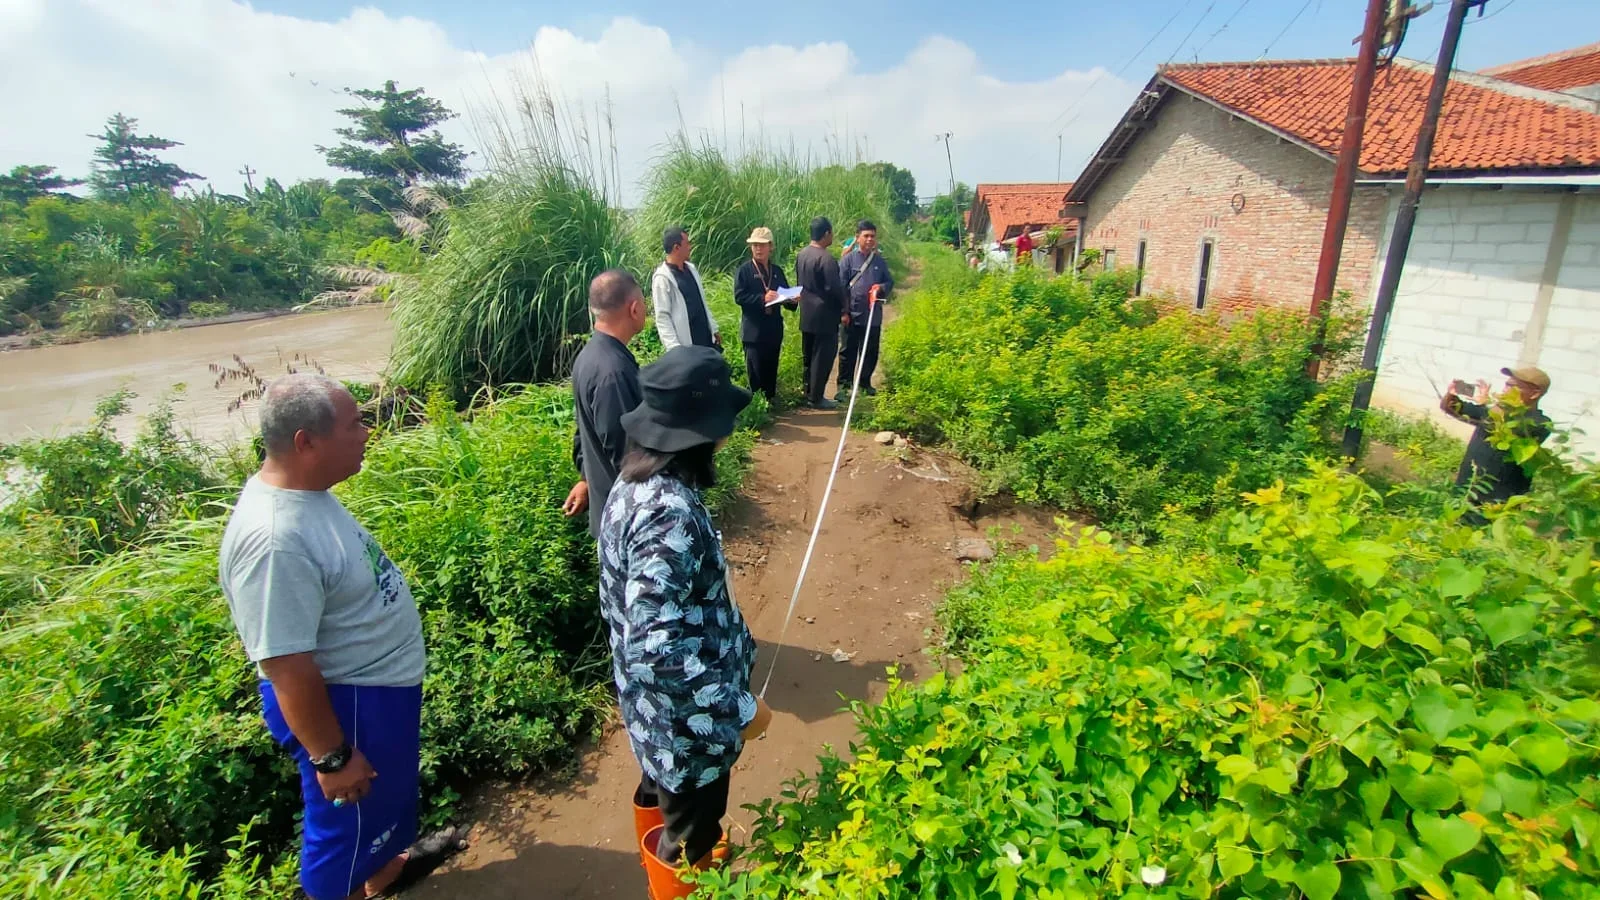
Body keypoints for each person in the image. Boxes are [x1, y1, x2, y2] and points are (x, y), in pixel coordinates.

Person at [218, 374, 461, 900]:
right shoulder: (274, 541)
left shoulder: (307, 495)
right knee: (342, 834)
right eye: (354, 425)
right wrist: (332, 756)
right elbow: (286, 665)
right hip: (346, 707)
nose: (366, 432)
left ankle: (384, 874)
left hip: (374, 694)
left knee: (377, 812)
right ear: (306, 442)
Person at [598, 346, 773, 897]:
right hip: (686, 724)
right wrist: (740, 707)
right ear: (702, 431)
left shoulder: (632, 483)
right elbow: (656, 647)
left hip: (653, 716)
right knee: (692, 838)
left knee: (661, 796)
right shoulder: (668, 510)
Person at [565, 269, 648, 538]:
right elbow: (628, 453)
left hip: (608, 507)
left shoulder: (589, 356)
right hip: (627, 518)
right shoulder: (613, 371)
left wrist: (586, 478)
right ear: (634, 309)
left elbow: (584, 433)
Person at [1440, 365, 1553, 523]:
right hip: (1466, 491)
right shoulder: (1493, 412)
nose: (1506, 390)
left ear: (1534, 393)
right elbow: (1453, 408)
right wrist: (1451, 394)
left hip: (1497, 503)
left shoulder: (1539, 423)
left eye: (1513, 386)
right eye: (1507, 384)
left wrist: (1490, 406)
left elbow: (1507, 426)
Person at [733, 226, 794, 402]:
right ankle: (757, 406)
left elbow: (784, 293)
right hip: (753, 331)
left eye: (762, 245)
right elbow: (740, 297)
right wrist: (762, 298)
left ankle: (771, 402)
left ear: (770, 247)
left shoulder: (777, 271)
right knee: (756, 371)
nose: (758, 249)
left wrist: (792, 299)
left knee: (771, 367)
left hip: (773, 328)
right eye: (754, 245)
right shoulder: (744, 271)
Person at [794, 216, 849, 409]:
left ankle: (807, 391)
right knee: (822, 357)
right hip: (825, 315)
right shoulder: (826, 259)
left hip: (806, 313)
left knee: (809, 356)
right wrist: (844, 309)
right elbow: (834, 288)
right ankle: (816, 398)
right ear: (826, 233)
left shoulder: (802, 255)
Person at [837, 219, 894, 397]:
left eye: (873, 236)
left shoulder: (879, 261)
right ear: (858, 237)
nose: (870, 239)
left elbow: (889, 281)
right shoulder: (848, 260)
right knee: (848, 352)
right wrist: (844, 312)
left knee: (870, 351)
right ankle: (844, 386)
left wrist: (881, 288)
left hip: (872, 316)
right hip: (852, 315)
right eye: (866, 236)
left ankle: (864, 383)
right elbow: (841, 287)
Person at [651, 226, 721, 352]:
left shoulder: (691, 269)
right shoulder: (663, 278)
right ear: (676, 248)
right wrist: (674, 349)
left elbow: (702, 302)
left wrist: (714, 329)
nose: (690, 247)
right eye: (687, 244)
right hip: (686, 346)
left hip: (706, 341)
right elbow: (662, 318)